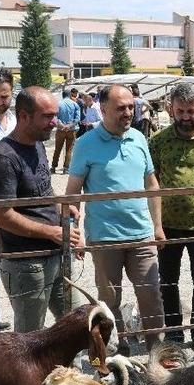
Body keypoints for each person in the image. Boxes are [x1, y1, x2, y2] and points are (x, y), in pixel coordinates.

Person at [65, 84, 166, 352]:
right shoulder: (85, 144)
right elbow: (72, 193)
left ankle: (158, 353)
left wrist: (157, 226)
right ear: (103, 108)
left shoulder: (139, 138)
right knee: (109, 302)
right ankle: (116, 352)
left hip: (142, 235)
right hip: (104, 237)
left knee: (151, 297)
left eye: (131, 106)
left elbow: (151, 184)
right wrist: (75, 233)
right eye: (121, 108)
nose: (128, 112)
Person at [0, 86, 83, 332]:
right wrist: (52, 232)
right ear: (24, 116)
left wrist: (61, 205)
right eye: (47, 116)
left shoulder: (37, 145)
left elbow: (42, 189)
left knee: (77, 324)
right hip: (26, 263)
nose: (55, 122)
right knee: (30, 336)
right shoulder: (3, 158)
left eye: (55, 115)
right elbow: (3, 217)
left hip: (55, 253)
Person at [149, 82, 194, 343]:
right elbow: (151, 181)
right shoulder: (158, 141)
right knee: (168, 282)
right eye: (180, 111)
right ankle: (174, 331)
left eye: (191, 111)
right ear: (171, 109)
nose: (186, 117)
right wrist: (156, 224)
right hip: (168, 225)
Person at [52, 88, 80, 174]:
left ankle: (53, 167)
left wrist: (62, 125)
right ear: (70, 95)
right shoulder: (75, 104)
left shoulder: (58, 104)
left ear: (62, 95)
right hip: (71, 130)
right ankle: (66, 168)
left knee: (57, 149)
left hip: (60, 129)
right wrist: (69, 126)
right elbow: (77, 119)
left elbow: (55, 117)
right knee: (69, 150)